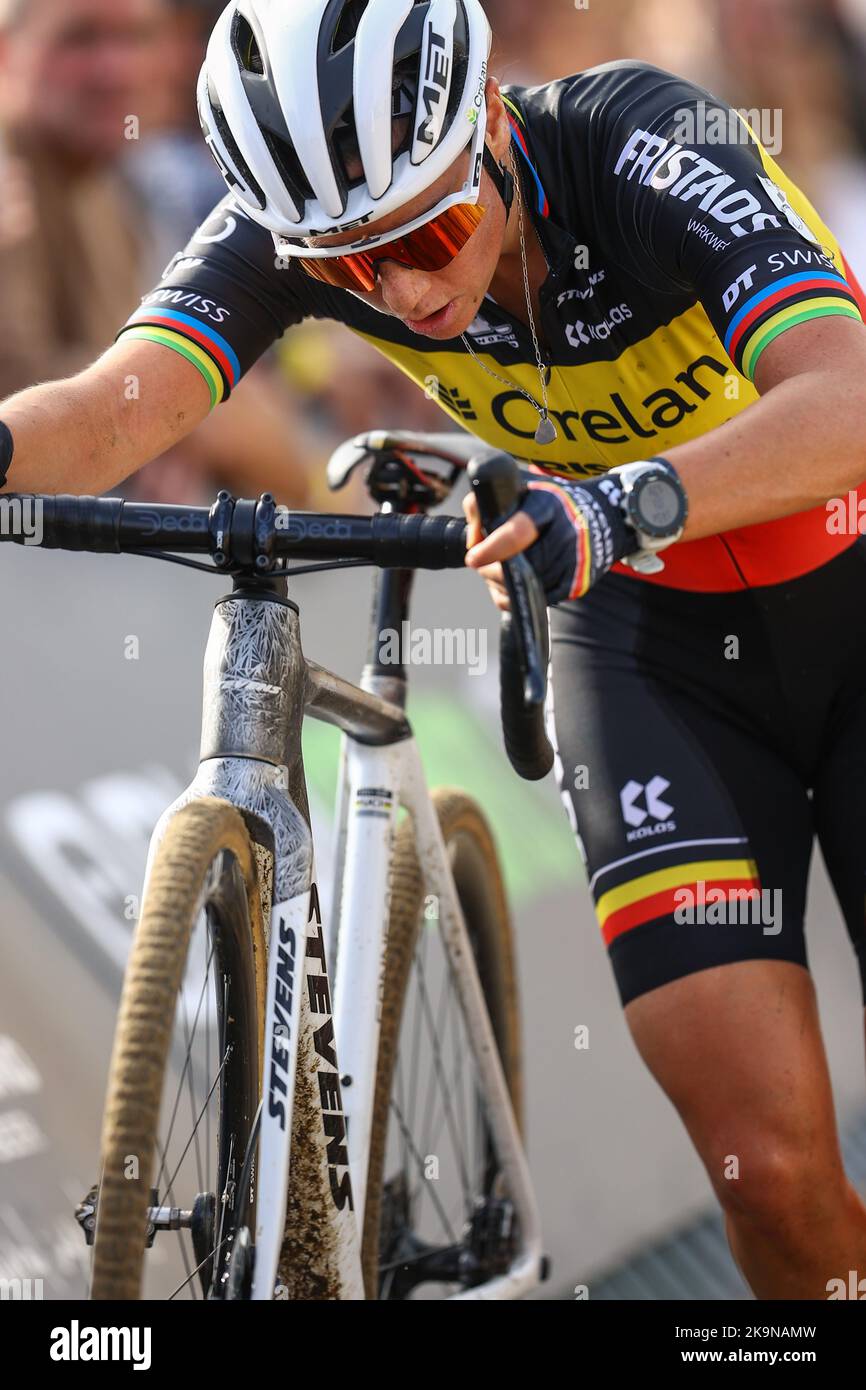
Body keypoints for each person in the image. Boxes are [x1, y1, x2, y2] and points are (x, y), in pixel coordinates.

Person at [2, 0, 866, 1299]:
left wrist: (622, 495)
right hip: (642, 636)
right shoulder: (293, 222)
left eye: (428, 231)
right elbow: (112, 407)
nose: (402, 289)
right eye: (349, 269)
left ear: (488, 131)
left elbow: (846, 397)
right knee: (769, 1166)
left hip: (836, 582)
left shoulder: (642, 142)